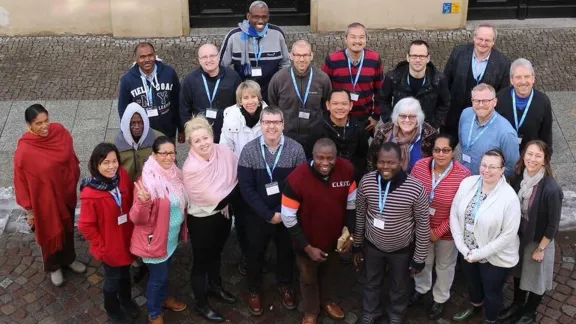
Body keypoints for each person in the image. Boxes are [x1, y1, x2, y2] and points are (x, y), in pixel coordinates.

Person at [237, 106, 306, 316]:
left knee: (285, 252)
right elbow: (246, 188)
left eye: (276, 122)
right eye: (267, 122)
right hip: (257, 215)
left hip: (287, 213)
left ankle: (285, 285)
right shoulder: (249, 150)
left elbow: (300, 185)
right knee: (254, 253)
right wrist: (268, 214)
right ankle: (254, 289)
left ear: (283, 124)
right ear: (261, 125)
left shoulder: (296, 149)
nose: (272, 126)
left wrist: (281, 212)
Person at [281, 138, 357, 324]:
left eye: (329, 158)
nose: (325, 163)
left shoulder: (347, 170)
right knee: (308, 277)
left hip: (334, 239)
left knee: (330, 273)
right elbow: (288, 217)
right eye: (320, 158)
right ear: (312, 156)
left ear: (336, 157)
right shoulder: (296, 178)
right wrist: (307, 247)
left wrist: (351, 235)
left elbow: (352, 205)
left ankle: (328, 301)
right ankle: (310, 311)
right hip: (307, 242)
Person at [353, 142, 430, 324]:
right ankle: (371, 312)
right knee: (371, 282)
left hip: (401, 250)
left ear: (401, 161)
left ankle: (396, 314)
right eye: (381, 162)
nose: (385, 167)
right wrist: (357, 244)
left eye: (391, 162)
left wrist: (419, 257)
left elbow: (422, 225)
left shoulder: (415, 188)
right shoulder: (367, 181)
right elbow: (360, 214)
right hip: (372, 246)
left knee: (399, 286)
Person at [13, 104, 86, 287]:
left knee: (68, 229)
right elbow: (20, 181)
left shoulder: (59, 132)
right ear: (29, 124)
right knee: (49, 234)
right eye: (39, 123)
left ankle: (69, 259)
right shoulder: (24, 150)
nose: (45, 126)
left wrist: (71, 177)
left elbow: (70, 157)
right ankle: (54, 267)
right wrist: (29, 209)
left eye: (46, 121)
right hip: (43, 202)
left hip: (65, 195)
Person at [450, 149, 521, 324]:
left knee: (492, 292)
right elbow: (454, 214)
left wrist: (479, 254)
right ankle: (475, 306)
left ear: (502, 169)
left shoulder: (509, 197)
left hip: (494, 256)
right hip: (467, 250)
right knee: (472, 284)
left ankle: (490, 319)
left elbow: (508, 235)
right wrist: (462, 246)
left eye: (492, 167)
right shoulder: (468, 183)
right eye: (484, 165)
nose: (486, 170)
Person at [498, 141, 563, 324]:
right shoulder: (519, 177)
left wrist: (541, 249)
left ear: (545, 160)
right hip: (521, 237)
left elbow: (553, 224)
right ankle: (518, 305)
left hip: (539, 240)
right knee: (519, 273)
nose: (532, 159)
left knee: (535, 278)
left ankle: (530, 312)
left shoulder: (550, 188)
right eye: (529, 154)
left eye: (538, 155)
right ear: (523, 155)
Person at [408, 134, 471, 320]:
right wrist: (421, 227)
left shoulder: (463, 175)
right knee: (423, 261)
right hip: (421, 228)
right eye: (437, 150)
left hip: (447, 232)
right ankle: (421, 289)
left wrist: (438, 231)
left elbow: (460, 209)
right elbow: (411, 195)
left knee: (445, 265)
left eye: (446, 150)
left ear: (453, 152)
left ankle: (440, 298)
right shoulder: (420, 167)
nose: (441, 154)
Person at [182, 116, 239, 322]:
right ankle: (201, 303)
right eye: (197, 141)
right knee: (201, 261)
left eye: (205, 137)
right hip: (202, 219)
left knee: (217, 253)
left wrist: (229, 193)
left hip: (223, 215)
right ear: (190, 144)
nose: (203, 143)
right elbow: (211, 197)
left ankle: (216, 287)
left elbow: (235, 174)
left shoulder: (224, 152)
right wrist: (231, 192)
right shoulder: (190, 168)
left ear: (212, 136)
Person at [129, 136, 188, 324]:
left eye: (172, 152)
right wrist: (143, 201)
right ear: (154, 155)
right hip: (155, 240)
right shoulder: (146, 182)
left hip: (170, 237)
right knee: (157, 278)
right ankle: (154, 312)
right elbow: (136, 218)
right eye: (164, 153)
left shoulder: (175, 174)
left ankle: (163, 299)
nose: (169, 157)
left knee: (164, 274)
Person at [78, 143, 139, 323]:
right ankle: (112, 309)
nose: (111, 166)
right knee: (112, 279)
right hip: (110, 246)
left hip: (126, 239)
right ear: (96, 165)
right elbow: (85, 225)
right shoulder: (90, 193)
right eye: (105, 162)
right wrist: (101, 246)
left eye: (114, 161)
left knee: (125, 273)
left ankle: (126, 300)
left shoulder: (122, 176)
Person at [220, 80, 268, 275]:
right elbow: (226, 150)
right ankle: (246, 254)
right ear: (240, 101)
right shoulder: (230, 118)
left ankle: (261, 254)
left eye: (253, 97)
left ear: (259, 98)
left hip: (264, 176)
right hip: (240, 178)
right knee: (242, 218)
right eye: (245, 98)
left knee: (262, 217)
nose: (250, 101)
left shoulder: (269, 115)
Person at [443, 24, 511, 145]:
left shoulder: (503, 63)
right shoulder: (459, 52)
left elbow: (502, 95)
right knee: (445, 148)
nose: (483, 43)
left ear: (493, 42)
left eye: (487, 40)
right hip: (453, 114)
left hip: (483, 117)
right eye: (480, 39)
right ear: (474, 38)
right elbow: (445, 82)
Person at [220, 1, 290, 102]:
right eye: (256, 17)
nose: (260, 21)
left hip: (270, 91)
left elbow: (285, 64)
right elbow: (221, 66)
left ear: (268, 16)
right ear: (248, 16)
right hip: (244, 94)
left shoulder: (277, 34)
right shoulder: (234, 36)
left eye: (264, 17)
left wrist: (280, 86)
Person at [267, 40, 332, 148]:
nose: (302, 59)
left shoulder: (322, 78)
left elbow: (326, 106)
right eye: (297, 55)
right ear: (291, 56)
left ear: (311, 56)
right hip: (286, 138)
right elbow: (273, 106)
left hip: (315, 138)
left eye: (305, 55)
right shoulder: (278, 78)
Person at [322, 22, 384, 132]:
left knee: (363, 149)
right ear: (345, 39)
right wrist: (326, 116)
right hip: (337, 118)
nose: (357, 41)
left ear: (366, 39)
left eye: (361, 37)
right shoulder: (332, 60)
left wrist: (376, 116)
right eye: (353, 37)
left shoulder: (374, 59)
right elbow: (324, 90)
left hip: (364, 120)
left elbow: (380, 91)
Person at [118, 42, 184, 143]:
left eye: (150, 55)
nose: (147, 60)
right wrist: (127, 133)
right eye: (142, 57)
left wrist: (181, 128)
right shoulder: (127, 80)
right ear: (136, 59)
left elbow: (178, 102)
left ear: (154, 55)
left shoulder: (169, 73)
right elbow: (123, 109)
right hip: (142, 135)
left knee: (167, 157)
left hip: (167, 132)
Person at [378, 40, 450, 129]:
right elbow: (383, 100)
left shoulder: (438, 79)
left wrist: (433, 125)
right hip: (399, 129)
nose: (418, 60)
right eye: (414, 56)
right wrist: (392, 122)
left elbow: (445, 104)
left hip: (426, 131)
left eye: (422, 56)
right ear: (408, 57)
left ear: (428, 58)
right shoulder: (393, 77)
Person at [180, 43, 242, 143]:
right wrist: (190, 132)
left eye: (212, 56)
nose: (209, 60)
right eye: (204, 57)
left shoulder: (233, 77)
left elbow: (239, 105)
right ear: (199, 60)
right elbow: (184, 110)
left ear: (219, 57)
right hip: (201, 135)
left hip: (228, 132)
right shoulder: (190, 80)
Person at [305, 88, 369, 182]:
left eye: (344, 104)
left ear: (350, 105)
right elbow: (309, 157)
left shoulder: (358, 128)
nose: (340, 107)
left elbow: (362, 156)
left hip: (351, 179)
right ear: (328, 105)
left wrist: (355, 174)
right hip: (324, 179)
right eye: (335, 103)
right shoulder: (318, 129)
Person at [458, 83, 519, 176]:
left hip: (487, 184)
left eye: (485, 101)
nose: (481, 105)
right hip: (463, 178)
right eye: (477, 101)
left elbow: (512, 167)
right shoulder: (466, 114)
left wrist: (490, 178)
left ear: (494, 102)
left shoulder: (506, 133)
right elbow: (462, 144)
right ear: (472, 101)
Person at [495, 58, 553, 153]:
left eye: (527, 76)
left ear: (533, 78)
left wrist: (545, 159)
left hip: (530, 157)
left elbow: (546, 135)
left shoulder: (543, 101)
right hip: (503, 153)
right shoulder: (500, 98)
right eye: (518, 77)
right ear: (511, 80)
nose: (523, 81)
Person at [367, 97, 437, 173]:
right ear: (396, 116)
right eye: (403, 116)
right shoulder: (384, 132)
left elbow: (436, 163)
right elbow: (371, 160)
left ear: (418, 117)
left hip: (419, 182)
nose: (407, 120)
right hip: (388, 179)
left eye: (412, 116)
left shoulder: (430, 135)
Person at [114, 102, 164, 182]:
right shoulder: (114, 144)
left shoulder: (159, 139)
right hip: (125, 186)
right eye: (133, 123)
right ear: (126, 124)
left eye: (140, 123)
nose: (137, 127)